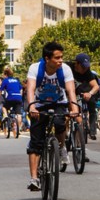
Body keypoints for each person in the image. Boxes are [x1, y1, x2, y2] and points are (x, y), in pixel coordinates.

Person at [25, 41, 79, 192]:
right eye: (57, 58)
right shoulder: (35, 68)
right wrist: (32, 106)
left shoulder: (66, 69)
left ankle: (61, 148)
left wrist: (74, 108)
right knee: (36, 142)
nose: (61, 60)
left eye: (61, 57)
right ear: (47, 59)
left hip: (58, 102)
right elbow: (30, 88)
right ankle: (34, 178)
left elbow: (71, 91)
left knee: (60, 123)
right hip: (39, 104)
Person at [69, 53, 100, 143]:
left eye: (86, 67)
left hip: (83, 92)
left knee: (92, 109)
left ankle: (92, 131)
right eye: (83, 67)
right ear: (77, 63)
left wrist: (90, 93)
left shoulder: (88, 72)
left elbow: (96, 86)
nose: (85, 69)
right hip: (68, 93)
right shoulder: (68, 68)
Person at [0, 66, 24, 137]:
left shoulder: (5, 80)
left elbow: (0, 91)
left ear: (5, 74)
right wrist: (20, 96)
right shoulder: (16, 80)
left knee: (4, 107)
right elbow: (21, 89)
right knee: (19, 114)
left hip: (10, 97)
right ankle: (18, 128)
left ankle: (5, 116)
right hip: (18, 98)